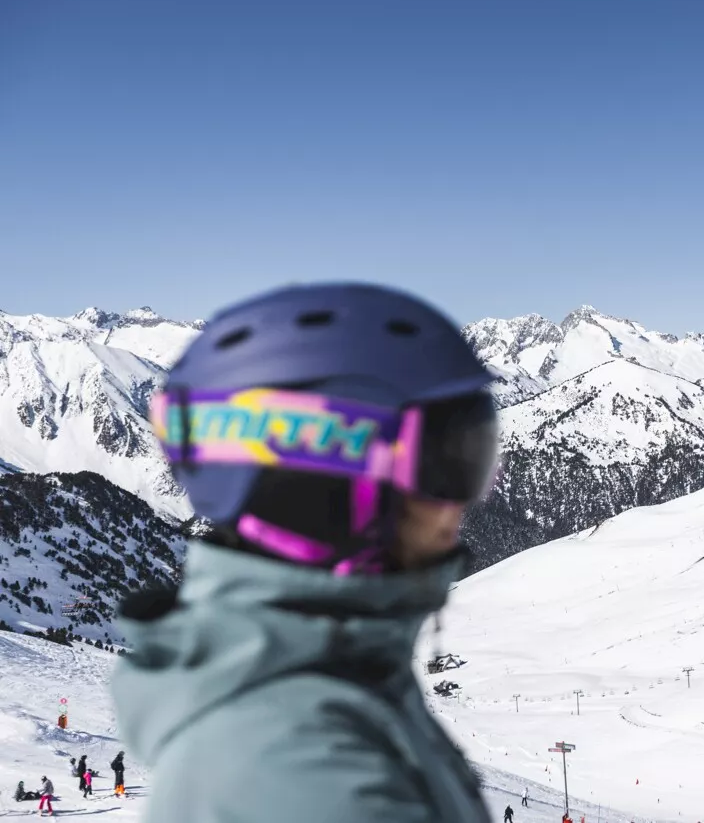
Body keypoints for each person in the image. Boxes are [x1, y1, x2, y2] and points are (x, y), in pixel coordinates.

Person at [111, 283, 499, 823]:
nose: (463, 500)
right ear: (322, 481)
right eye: (453, 462)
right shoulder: (297, 773)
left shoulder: (335, 678)